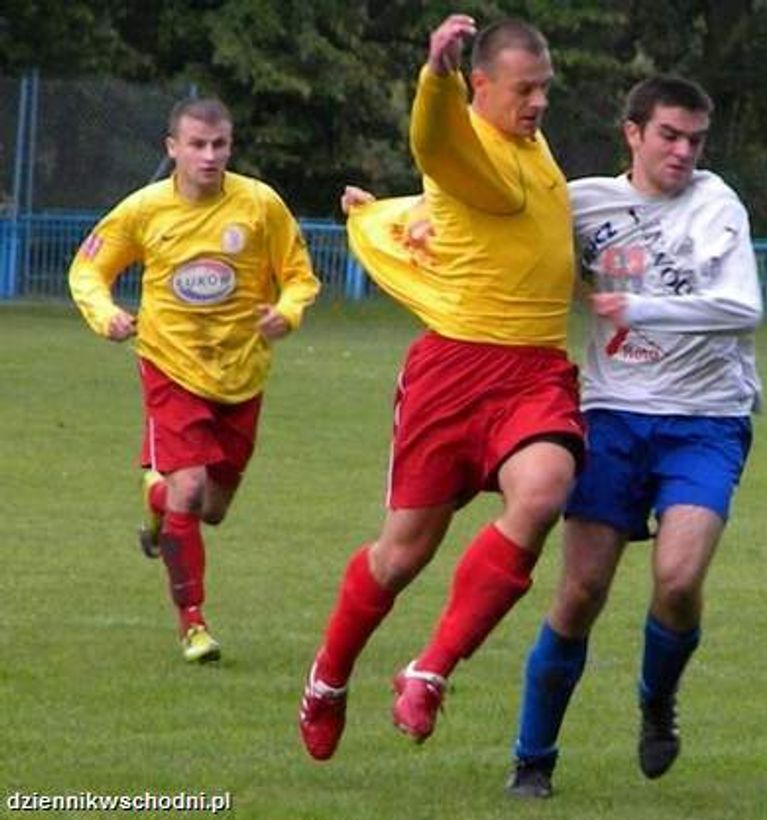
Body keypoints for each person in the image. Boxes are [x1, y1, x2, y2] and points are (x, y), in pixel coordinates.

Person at [297, 13, 583, 761]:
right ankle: (327, 680)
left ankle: (428, 670)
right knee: (401, 556)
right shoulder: (465, 145)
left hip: (535, 371)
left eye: (545, 88)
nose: (539, 102)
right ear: (479, 87)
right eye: (525, 89)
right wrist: (434, 76)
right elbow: (433, 142)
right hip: (454, 375)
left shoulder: (527, 139)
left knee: (545, 490)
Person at [505, 75, 763, 798]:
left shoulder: (716, 204)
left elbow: (743, 307)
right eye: (669, 136)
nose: (684, 152)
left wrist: (641, 310)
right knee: (582, 590)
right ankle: (533, 758)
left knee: (678, 582)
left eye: (696, 139)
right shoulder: (583, 203)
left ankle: (656, 700)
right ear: (633, 133)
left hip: (707, 419)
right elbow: (497, 222)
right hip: (612, 413)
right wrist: (412, 219)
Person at [68, 97, 320, 664]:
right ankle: (193, 625)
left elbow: (301, 277)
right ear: (172, 148)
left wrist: (288, 311)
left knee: (212, 507)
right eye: (198, 145)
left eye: (220, 145)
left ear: (230, 146)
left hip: (241, 372)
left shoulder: (260, 205)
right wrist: (104, 313)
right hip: (170, 364)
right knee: (189, 490)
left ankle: (155, 497)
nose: (209, 156)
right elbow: (88, 268)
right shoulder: (143, 210)